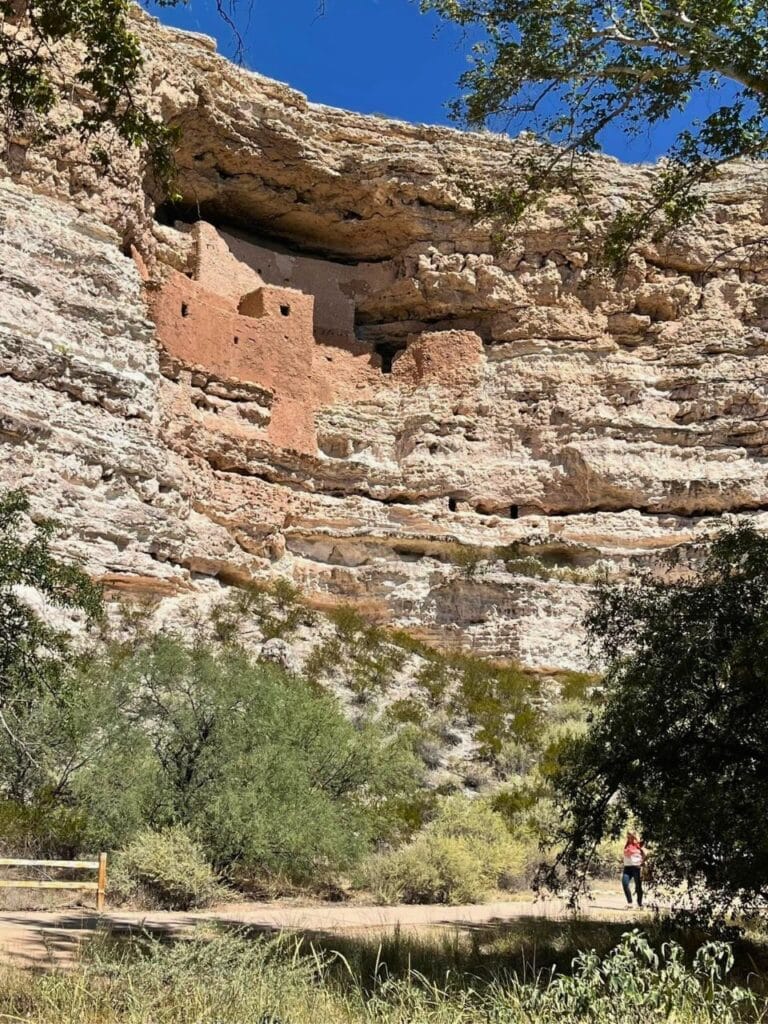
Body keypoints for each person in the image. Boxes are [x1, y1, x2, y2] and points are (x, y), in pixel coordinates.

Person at [622, 831, 646, 908]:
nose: (629, 837)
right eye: (628, 836)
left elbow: (645, 853)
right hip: (627, 867)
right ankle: (630, 903)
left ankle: (639, 903)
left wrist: (642, 861)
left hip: (636, 867)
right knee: (625, 883)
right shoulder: (626, 845)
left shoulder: (638, 844)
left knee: (638, 885)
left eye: (630, 836)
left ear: (633, 836)